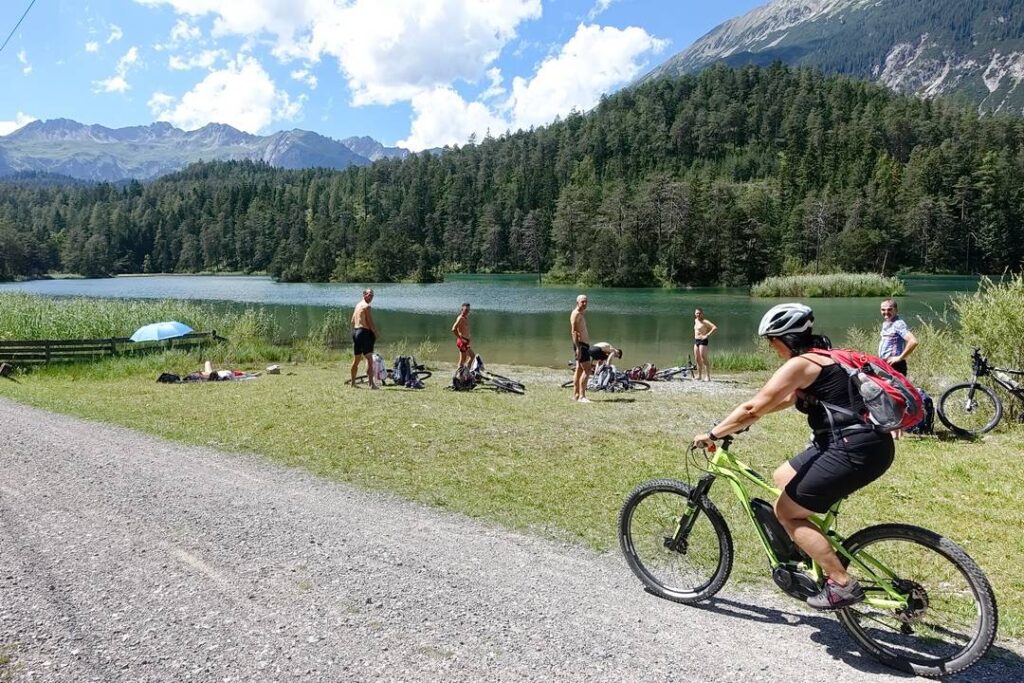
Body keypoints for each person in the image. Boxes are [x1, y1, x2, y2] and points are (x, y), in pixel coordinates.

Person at [692, 303, 895, 610]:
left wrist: (714, 433)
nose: (771, 347)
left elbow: (752, 407)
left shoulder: (799, 365)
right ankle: (808, 545)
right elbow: (785, 400)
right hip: (866, 442)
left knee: (787, 512)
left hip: (851, 448)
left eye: (771, 340)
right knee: (782, 477)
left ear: (784, 338)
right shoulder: (825, 356)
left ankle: (840, 583)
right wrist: (746, 421)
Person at [878, 299, 918, 377]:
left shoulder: (898, 324)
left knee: (895, 389)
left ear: (896, 310)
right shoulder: (887, 323)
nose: (886, 312)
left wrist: (899, 358)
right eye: (883, 310)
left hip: (895, 366)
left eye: (889, 309)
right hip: (886, 364)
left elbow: (913, 341)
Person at [349, 288, 379, 388]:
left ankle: (353, 383)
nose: (370, 297)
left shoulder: (358, 305)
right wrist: (375, 332)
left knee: (357, 359)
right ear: (364, 294)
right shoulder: (367, 306)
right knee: (369, 359)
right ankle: (371, 384)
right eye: (369, 295)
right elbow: (370, 322)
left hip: (356, 332)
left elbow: (352, 321)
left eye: (372, 295)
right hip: (363, 333)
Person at [570, 294, 593, 403]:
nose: (584, 304)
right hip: (581, 345)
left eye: (586, 302)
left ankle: (576, 395)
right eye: (582, 302)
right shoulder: (576, 314)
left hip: (582, 345)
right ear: (577, 302)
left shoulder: (580, 313)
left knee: (579, 369)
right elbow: (574, 332)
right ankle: (582, 397)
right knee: (587, 370)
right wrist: (578, 348)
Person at [693, 308, 717, 382]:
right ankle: (699, 375)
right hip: (696, 340)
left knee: (703, 358)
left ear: (702, 314)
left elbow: (714, 327)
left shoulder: (705, 321)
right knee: (697, 358)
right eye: (697, 313)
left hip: (703, 341)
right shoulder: (696, 320)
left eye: (699, 313)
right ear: (695, 314)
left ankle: (707, 377)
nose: (698, 314)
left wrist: (707, 335)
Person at [451, 303, 473, 369]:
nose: (467, 311)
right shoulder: (460, 318)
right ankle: (460, 374)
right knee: (463, 361)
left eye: (468, 310)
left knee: (472, 356)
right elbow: (453, 329)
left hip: (465, 341)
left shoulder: (465, 317)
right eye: (466, 310)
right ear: (462, 310)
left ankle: (466, 372)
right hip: (462, 341)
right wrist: (460, 338)